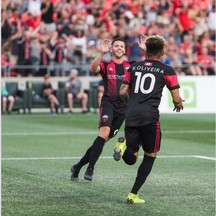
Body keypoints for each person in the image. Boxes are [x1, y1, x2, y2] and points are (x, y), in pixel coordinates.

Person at [114, 35, 184, 204]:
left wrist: (130, 104)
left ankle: (122, 146)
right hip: (150, 117)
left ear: (146, 51)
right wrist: (179, 103)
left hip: (131, 115)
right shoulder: (167, 70)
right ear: (162, 51)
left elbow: (122, 92)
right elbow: (175, 97)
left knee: (132, 158)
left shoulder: (133, 68)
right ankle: (132, 195)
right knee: (150, 155)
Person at [70, 38, 144, 181]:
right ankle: (90, 169)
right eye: (116, 46)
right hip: (108, 104)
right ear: (111, 49)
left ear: (124, 49)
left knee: (101, 141)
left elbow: (148, 65)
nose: (119, 48)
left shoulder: (131, 65)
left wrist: (144, 50)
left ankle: (77, 167)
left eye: (122, 46)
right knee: (104, 133)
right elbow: (92, 69)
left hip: (123, 108)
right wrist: (100, 54)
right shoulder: (106, 64)